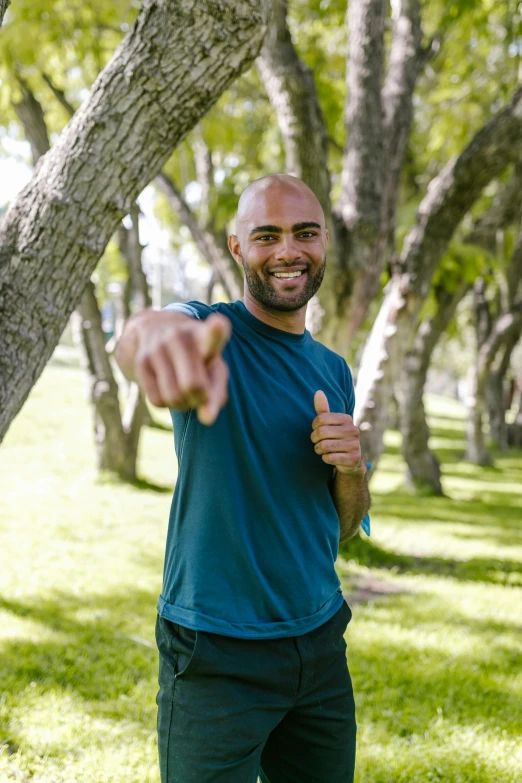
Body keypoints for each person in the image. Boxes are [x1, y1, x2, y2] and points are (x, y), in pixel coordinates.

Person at [115, 174, 371, 783]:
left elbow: (346, 527)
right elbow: (146, 332)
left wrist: (352, 468)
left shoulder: (333, 369)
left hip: (319, 643)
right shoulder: (211, 333)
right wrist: (153, 343)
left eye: (304, 233)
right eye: (267, 236)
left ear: (324, 243)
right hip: (214, 651)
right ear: (237, 249)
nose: (289, 251)